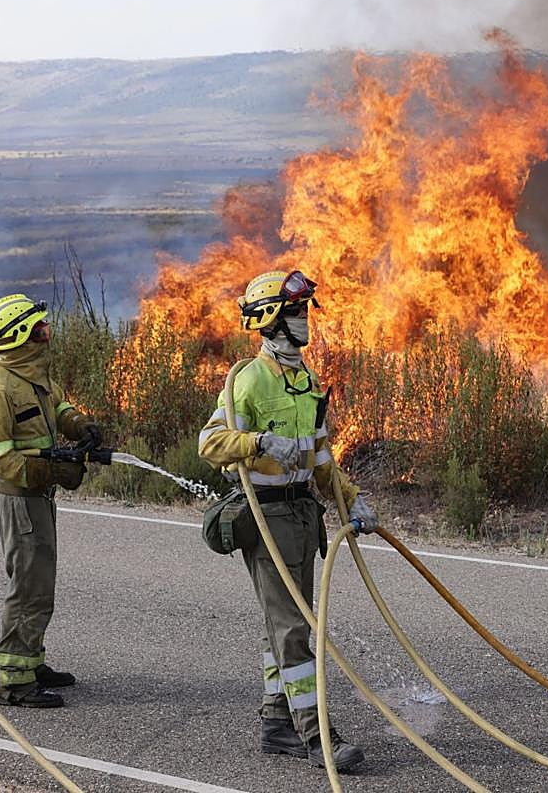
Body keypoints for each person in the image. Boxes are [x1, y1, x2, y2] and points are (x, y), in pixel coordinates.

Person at [198, 269, 379, 772]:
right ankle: (317, 735)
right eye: (296, 312)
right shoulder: (249, 379)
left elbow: (321, 458)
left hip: (305, 515)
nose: (305, 321)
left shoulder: (306, 380)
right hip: (268, 517)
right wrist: (256, 442)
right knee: (296, 628)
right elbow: (209, 444)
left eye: (304, 311)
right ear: (272, 320)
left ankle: (277, 720)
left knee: (282, 625)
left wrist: (351, 501)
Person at [0, 293, 104, 708]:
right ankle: (15, 682)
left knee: (41, 585)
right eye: (39, 329)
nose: (47, 334)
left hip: (40, 500)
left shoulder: (33, 376)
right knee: (28, 588)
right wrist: (52, 471)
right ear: (20, 337)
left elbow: (57, 405)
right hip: (21, 502)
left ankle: (31, 662)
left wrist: (79, 423)